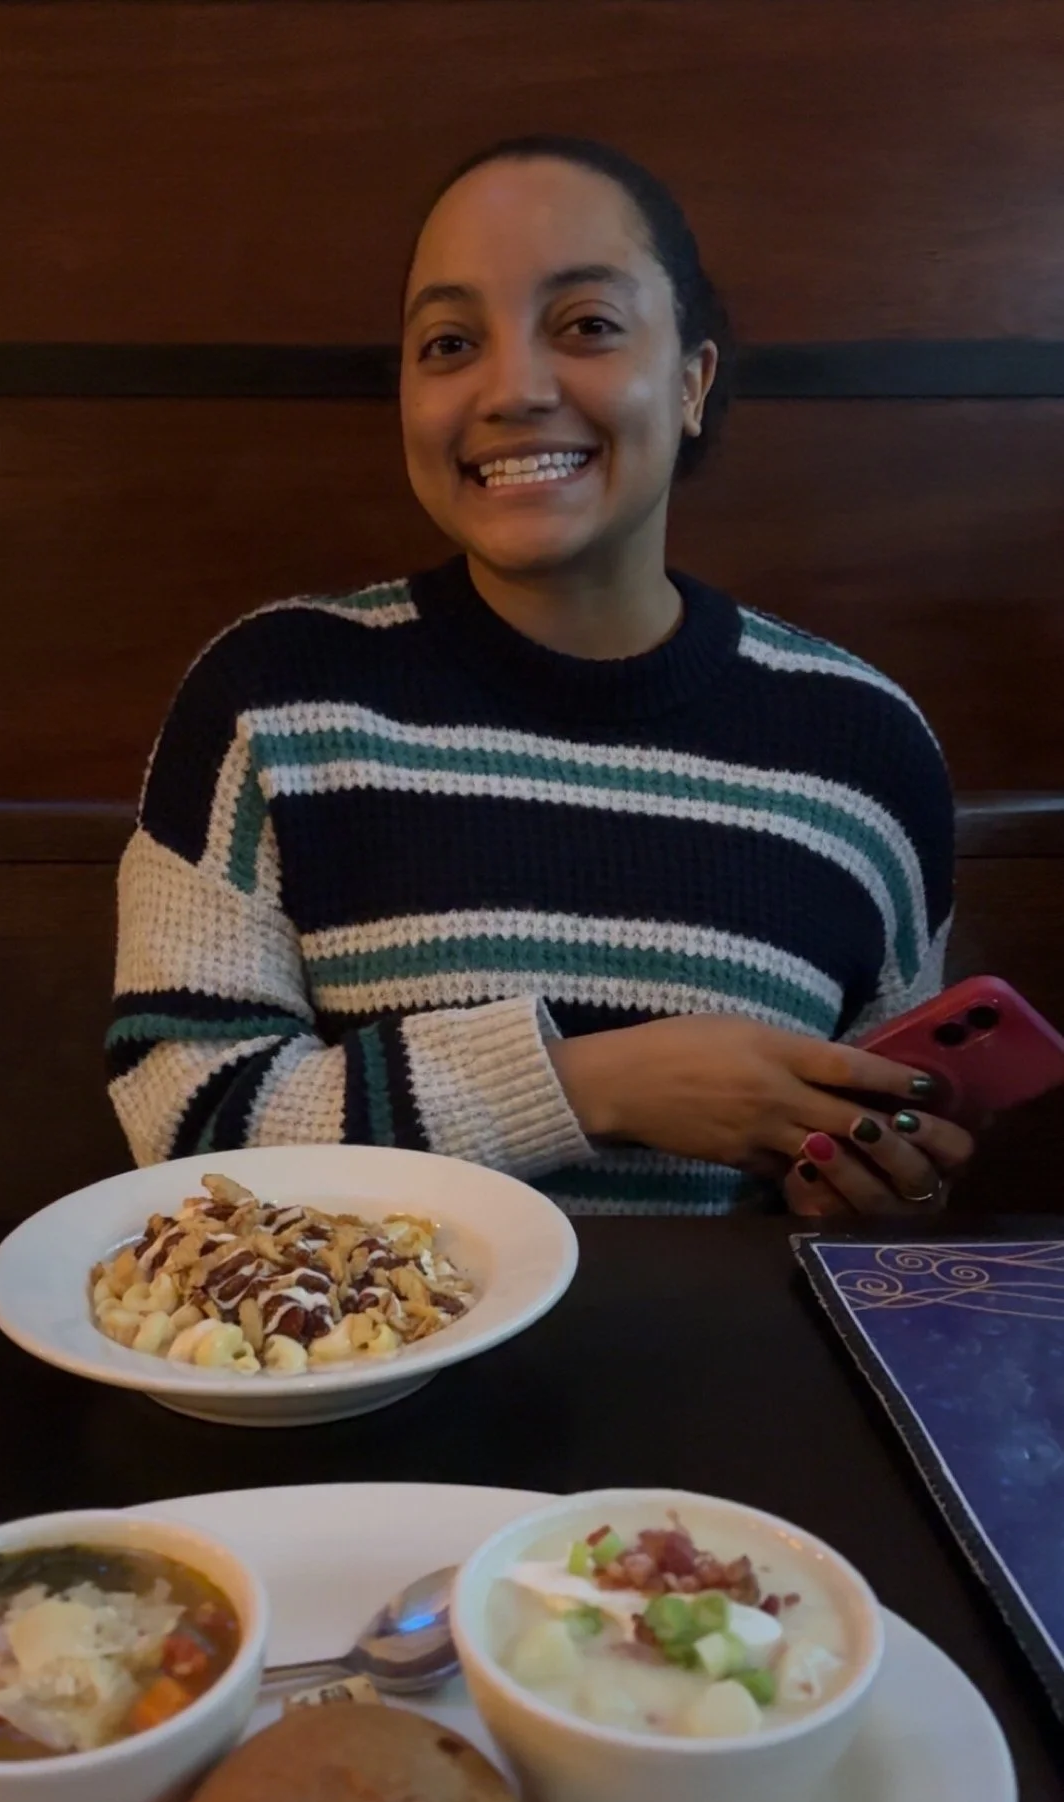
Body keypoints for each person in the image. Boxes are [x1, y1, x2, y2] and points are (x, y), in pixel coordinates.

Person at [107, 133, 973, 1218]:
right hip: (363, 1380)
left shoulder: (865, 744)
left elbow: (883, 1170)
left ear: (693, 381)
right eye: (451, 342)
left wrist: (884, 1186)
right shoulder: (269, 702)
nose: (512, 389)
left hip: (728, 1380)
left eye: (588, 327)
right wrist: (587, 1087)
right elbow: (184, 1123)